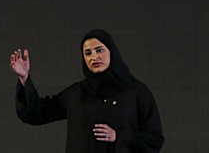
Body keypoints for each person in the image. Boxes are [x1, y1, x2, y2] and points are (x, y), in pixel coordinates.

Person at [10, 29, 164, 152]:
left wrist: (119, 137)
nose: (94, 57)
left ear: (111, 51)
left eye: (99, 50)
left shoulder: (135, 92)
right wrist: (24, 78)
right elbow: (36, 113)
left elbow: (154, 140)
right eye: (88, 53)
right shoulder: (77, 94)